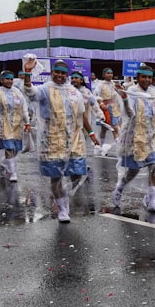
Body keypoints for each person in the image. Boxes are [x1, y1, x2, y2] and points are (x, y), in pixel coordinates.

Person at [22, 59, 100, 223]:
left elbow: (81, 114)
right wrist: (27, 74)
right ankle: (63, 208)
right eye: (57, 72)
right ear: (52, 73)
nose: (59, 75)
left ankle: (65, 197)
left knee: (78, 172)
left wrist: (91, 133)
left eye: (63, 73)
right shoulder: (45, 89)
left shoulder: (74, 92)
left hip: (73, 140)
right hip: (51, 140)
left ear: (67, 75)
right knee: (56, 177)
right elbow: (30, 93)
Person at [110, 64, 155, 213]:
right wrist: (124, 100)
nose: (147, 80)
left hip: (152, 135)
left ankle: (152, 201)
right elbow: (130, 114)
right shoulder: (132, 91)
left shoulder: (154, 92)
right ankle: (119, 189)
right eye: (144, 77)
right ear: (138, 78)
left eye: (149, 77)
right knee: (133, 171)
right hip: (135, 136)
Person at [0, 70, 30, 182]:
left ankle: (3, 164)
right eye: (7, 79)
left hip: (17, 125)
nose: (9, 81)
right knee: (8, 148)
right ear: (2, 80)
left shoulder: (17, 92)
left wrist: (27, 122)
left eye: (11, 79)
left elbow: (24, 108)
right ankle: (13, 173)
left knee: (15, 149)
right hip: (2, 125)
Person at [92, 68, 123, 156]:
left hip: (114, 109)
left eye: (111, 73)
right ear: (104, 74)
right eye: (108, 73)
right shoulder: (100, 84)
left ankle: (118, 149)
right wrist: (101, 103)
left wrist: (120, 89)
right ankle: (102, 147)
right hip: (105, 109)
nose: (110, 75)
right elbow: (96, 95)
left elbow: (118, 95)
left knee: (114, 128)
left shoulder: (113, 84)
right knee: (107, 129)